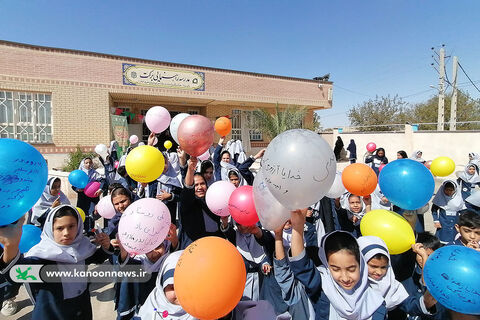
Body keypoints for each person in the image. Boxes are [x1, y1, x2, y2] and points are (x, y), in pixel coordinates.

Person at [0, 205, 112, 320]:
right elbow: (16, 274)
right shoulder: (43, 257)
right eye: (60, 228)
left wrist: (106, 246)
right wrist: (11, 246)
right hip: (53, 313)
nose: (66, 233)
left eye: (71, 226)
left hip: (82, 309)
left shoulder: (81, 247)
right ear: (50, 229)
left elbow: (96, 258)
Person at [288, 209, 386, 319]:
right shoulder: (323, 287)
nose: (345, 278)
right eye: (335, 269)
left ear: (361, 265)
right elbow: (301, 266)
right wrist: (297, 227)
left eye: (351, 269)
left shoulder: (376, 304)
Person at [358, 236, 437, 317]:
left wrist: (427, 302)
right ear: (361, 263)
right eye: (373, 266)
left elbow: (411, 306)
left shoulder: (392, 285)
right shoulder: (351, 286)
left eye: (383, 267)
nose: (379, 272)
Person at [177, 156, 227, 249]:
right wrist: (190, 170)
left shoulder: (212, 201)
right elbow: (187, 189)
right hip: (194, 247)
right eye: (196, 185)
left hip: (214, 246)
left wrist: (224, 223)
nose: (200, 187)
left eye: (202, 184)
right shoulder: (188, 203)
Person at [134, 250, 195, 319]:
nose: (179, 293)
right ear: (162, 286)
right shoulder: (153, 305)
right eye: (173, 288)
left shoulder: (203, 310)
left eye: (186, 287)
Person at [402, 232, 448, 320]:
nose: (424, 259)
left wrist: (424, 257)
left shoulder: (441, 274)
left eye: (429, 256)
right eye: (421, 255)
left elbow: (427, 287)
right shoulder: (408, 274)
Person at [74, 157, 105, 231]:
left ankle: (90, 230)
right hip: (82, 197)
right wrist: (77, 189)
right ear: (83, 164)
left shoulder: (95, 173)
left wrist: (100, 189)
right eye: (86, 163)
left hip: (93, 197)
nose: (88, 164)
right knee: (82, 213)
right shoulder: (79, 174)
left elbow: (103, 181)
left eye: (90, 163)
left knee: (91, 213)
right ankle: (82, 229)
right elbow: (74, 185)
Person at [156, 154, 183, 225]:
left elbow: (180, 196)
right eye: (159, 163)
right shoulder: (152, 180)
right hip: (154, 213)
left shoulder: (173, 179)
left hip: (169, 213)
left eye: (164, 163)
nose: (162, 166)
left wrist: (170, 196)